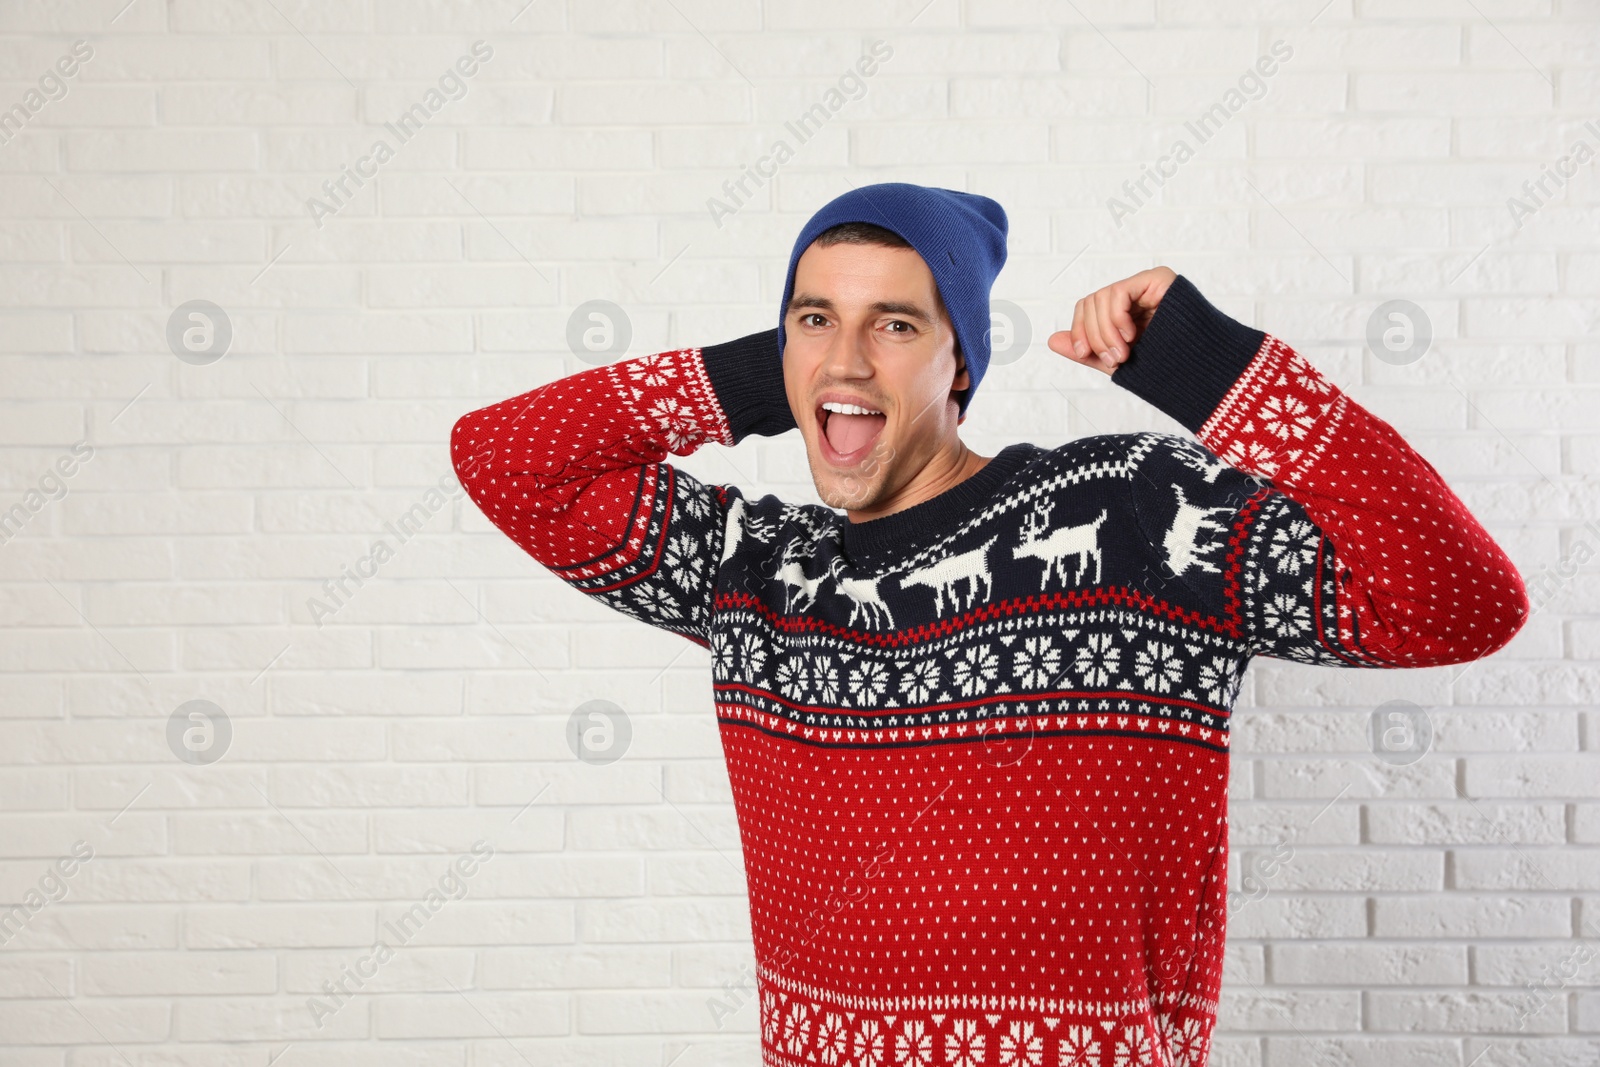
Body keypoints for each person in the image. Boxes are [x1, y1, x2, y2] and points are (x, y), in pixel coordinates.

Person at [450, 182, 1527, 1067]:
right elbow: (501, 458)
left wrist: (1212, 366)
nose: (846, 357)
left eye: (897, 324)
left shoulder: (1133, 514)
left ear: (960, 362)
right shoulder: (754, 570)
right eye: (815, 315)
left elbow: (1456, 603)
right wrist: (777, 370)